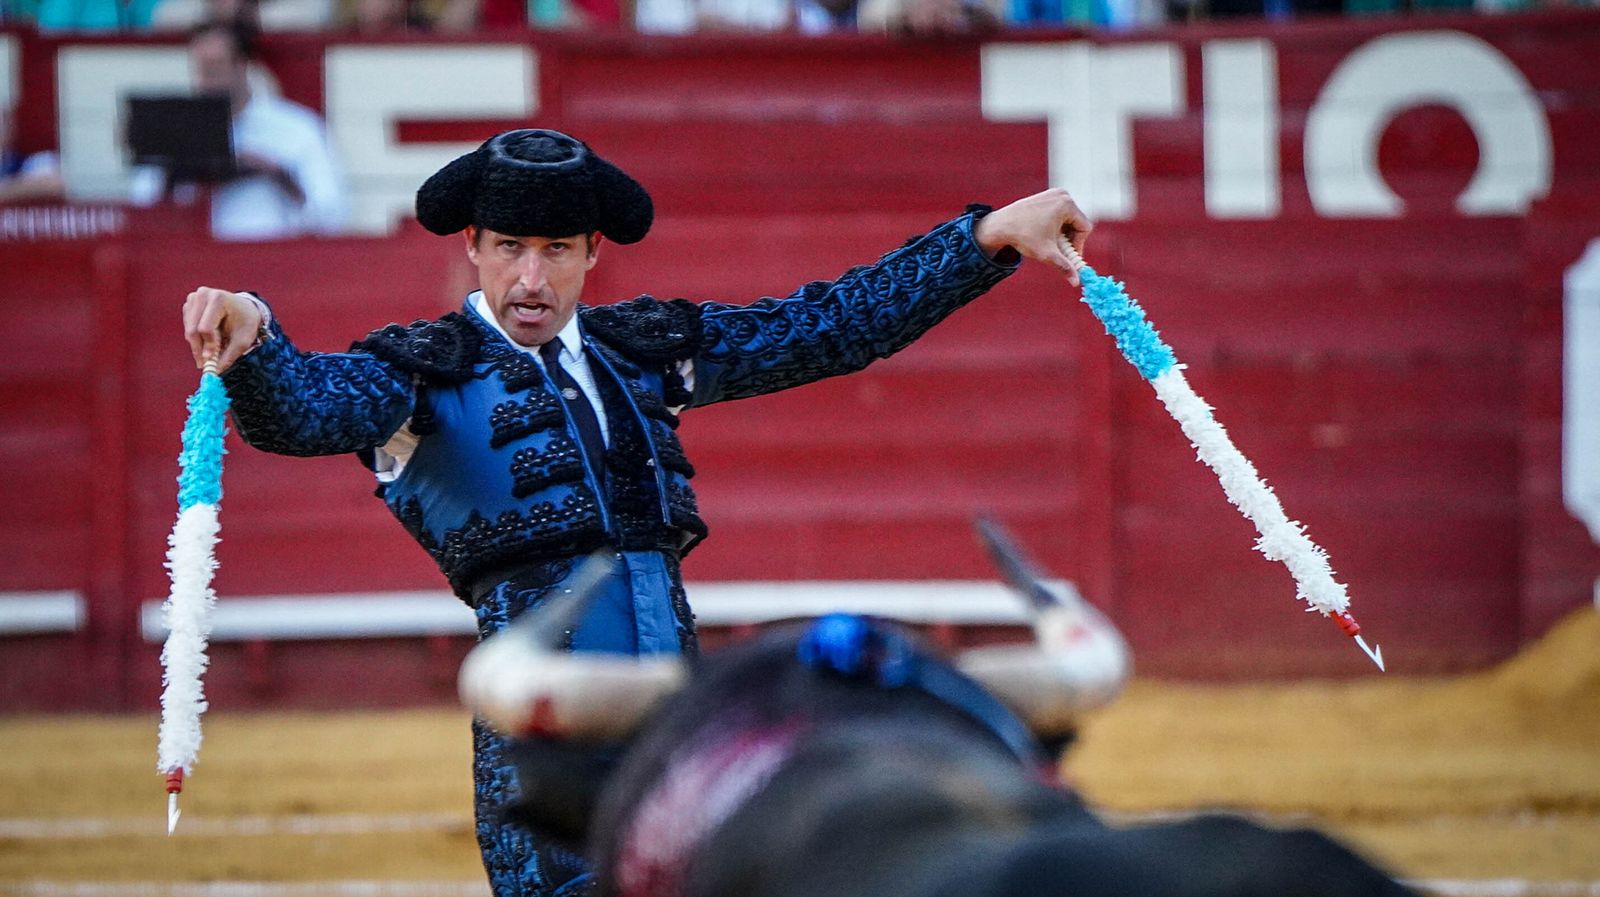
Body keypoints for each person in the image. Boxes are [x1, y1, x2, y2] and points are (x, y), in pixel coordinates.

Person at [180, 127, 1091, 897]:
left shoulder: (644, 351)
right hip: (546, 728)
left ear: (592, 252)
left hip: (677, 717)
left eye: (555, 251)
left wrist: (987, 236)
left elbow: (832, 326)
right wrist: (255, 335)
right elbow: (302, 408)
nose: (530, 278)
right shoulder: (418, 375)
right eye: (509, 248)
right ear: (473, 245)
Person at [131, 20, 349, 241]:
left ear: (242, 65)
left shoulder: (297, 128)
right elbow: (140, 208)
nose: (207, 80)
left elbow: (332, 216)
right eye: (202, 69)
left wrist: (277, 174)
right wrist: (175, 170)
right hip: (193, 254)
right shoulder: (174, 129)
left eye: (216, 67)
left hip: (270, 254)